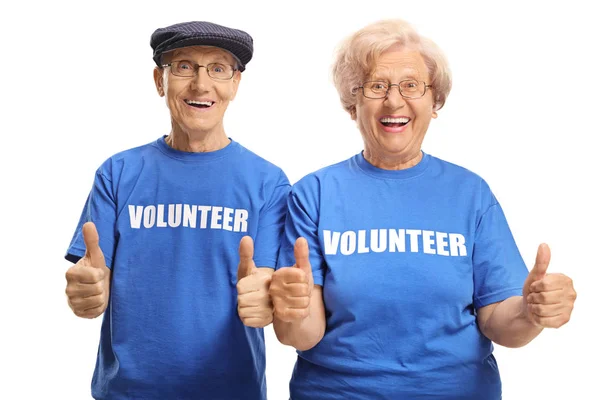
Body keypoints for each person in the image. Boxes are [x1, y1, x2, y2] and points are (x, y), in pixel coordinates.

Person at [270, 19, 577, 399]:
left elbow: (500, 322)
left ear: (435, 102)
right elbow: (302, 333)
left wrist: (532, 313)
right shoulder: (314, 194)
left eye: (411, 86)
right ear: (354, 104)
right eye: (376, 86)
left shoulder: (471, 194)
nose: (394, 101)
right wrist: (289, 311)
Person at [64, 21, 289, 400]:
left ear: (235, 84)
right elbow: (92, 270)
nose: (201, 85)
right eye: (184, 66)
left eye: (218, 68)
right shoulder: (118, 173)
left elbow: (264, 278)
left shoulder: (268, 182)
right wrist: (87, 288)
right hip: (127, 393)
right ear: (159, 80)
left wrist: (265, 296)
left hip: (232, 391)